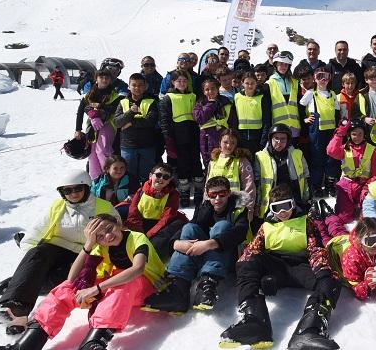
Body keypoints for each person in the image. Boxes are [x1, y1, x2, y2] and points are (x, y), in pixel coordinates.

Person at [0, 214, 165, 350]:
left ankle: (93, 343)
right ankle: (25, 346)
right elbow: (72, 277)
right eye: (100, 236)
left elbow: (137, 269)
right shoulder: (99, 245)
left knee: (120, 285)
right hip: (113, 284)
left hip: (146, 285)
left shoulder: (135, 237)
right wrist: (88, 245)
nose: (107, 237)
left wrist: (95, 289)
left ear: (119, 225)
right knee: (67, 288)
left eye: (109, 229)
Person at [0, 171, 118, 335]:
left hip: (86, 254)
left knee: (63, 281)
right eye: (67, 191)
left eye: (77, 189)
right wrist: (30, 264)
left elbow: (117, 235)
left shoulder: (104, 207)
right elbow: (34, 235)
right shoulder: (58, 207)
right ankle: (15, 308)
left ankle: (17, 283)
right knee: (38, 252)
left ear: (86, 188)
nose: (73, 194)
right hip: (55, 249)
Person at [219, 185, 341, 350]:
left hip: (300, 267)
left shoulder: (305, 222)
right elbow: (252, 250)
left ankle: (309, 329)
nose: (283, 212)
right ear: (271, 209)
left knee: (331, 278)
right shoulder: (266, 227)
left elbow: (315, 249)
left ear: (293, 204)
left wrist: (321, 271)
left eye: (287, 206)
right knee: (247, 260)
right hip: (275, 266)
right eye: (277, 208)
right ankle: (255, 320)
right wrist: (254, 271)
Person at [142, 176, 250, 313]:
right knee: (189, 229)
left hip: (226, 258)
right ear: (207, 195)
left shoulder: (239, 210)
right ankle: (178, 290)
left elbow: (240, 233)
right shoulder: (204, 207)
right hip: (201, 254)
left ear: (229, 193)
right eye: (213, 195)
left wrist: (210, 244)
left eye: (222, 194)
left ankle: (207, 286)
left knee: (222, 226)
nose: (217, 199)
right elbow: (190, 226)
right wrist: (175, 243)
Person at [159, 70, 203, 207]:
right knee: (182, 165)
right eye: (179, 81)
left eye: (185, 81)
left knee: (196, 163)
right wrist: (168, 139)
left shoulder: (193, 96)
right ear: (173, 82)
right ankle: (184, 191)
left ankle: (198, 190)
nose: (182, 83)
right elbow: (164, 120)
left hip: (193, 134)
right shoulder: (168, 98)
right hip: (178, 136)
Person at [126, 163, 188, 260]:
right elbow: (133, 214)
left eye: (166, 177)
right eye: (158, 175)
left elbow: (167, 218)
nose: (161, 179)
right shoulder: (141, 191)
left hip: (161, 226)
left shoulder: (172, 194)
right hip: (142, 223)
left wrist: (149, 235)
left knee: (156, 243)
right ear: (151, 176)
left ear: (169, 181)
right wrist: (140, 233)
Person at [253, 124, 310, 224]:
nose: (279, 142)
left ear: (288, 140)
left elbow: (305, 178)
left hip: (294, 199)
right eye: (276, 138)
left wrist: (307, 199)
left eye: (283, 139)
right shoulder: (260, 156)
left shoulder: (297, 154)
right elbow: (257, 183)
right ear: (270, 139)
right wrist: (257, 204)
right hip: (272, 202)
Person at [326, 119, 376, 223]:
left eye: (360, 134)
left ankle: (359, 206)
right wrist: (340, 132)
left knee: (366, 219)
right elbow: (330, 151)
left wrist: (367, 187)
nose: (357, 137)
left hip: (366, 185)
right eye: (354, 134)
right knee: (344, 218)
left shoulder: (373, 150)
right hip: (347, 185)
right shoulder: (345, 148)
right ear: (349, 135)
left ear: (365, 134)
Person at [75, 69, 122, 180]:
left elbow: (113, 109)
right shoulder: (89, 94)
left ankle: (109, 177)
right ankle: (95, 178)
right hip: (92, 127)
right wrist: (78, 129)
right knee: (91, 154)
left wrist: (96, 110)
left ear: (110, 80)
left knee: (103, 151)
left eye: (107, 78)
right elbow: (81, 111)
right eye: (101, 77)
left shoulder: (114, 95)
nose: (104, 80)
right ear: (96, 79)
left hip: (108, 125)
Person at [301, 67, 341, 197]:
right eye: (319, 77)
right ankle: (316, 186)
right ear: (314, 78)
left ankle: (330, 184)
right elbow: (300, 107)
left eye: (326, 77)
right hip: (316, 132)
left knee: (331, 158)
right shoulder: (311, 93)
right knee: (317, 159)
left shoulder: (333, 94)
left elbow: (337, 113)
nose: (323, 80)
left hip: (331, 132)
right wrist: (305, 119)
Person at [114, 72, 160, 184]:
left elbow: (150, 121)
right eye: (134, 85)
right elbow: (118, 122)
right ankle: (131, 197)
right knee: (129, 176)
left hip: (147, 144)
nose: (137, 88)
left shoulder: (151, 102)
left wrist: (131, 123)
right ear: (129, 86)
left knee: (147, 175)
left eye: (140, 85)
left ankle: (145, 197)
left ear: (145, 86)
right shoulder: (123, 102)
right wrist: (130, 112)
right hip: (128, 145)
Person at [207, 129, 257, 217]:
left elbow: (249, 187)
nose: (228, 145)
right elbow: (207, 186)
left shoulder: (241, 161)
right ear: (220, 142)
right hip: (215, 206)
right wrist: (206, 204)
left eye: (232, 143)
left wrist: (249, 209)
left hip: (235, 207)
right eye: (225, 142)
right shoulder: (214, 161)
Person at [194, 78, 237, 171]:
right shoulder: (200, 103)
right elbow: (200, 118)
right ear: (203, 91)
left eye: (213, 88)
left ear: (218, 89)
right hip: (205, 137)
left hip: (223, 136)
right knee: (207, 160)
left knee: (224, 158)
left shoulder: (226, 102)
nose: (210, 91)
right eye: (207, 89)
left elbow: (232, 121)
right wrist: (211, 104)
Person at [233, 71, 272, 156]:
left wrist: (263, 142)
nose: (250, 86)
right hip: (241, 137)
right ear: (242, 83)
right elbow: (234, 119)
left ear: (256, 83)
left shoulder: (262, 98)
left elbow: (266, 121)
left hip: (257, 137)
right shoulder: (237, 97)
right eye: (247, 83)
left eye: (252, 83)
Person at [266, 51, 301, 141]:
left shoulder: (295, 82)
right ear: (275, 65)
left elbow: (300, 105)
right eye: (281, 64)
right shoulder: (269, 83)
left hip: (294, 128)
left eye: (286, 64)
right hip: (278, 129)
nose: (284, 67)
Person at [91, 155, 139, 220]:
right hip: (103, 212)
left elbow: (138, 195)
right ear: (107, 169)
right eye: (115, 168)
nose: (119, 171)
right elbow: (91, 197)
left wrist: (132, 196)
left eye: (122, 168)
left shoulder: (131, 180)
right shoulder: (98, 181)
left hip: (124, 212)